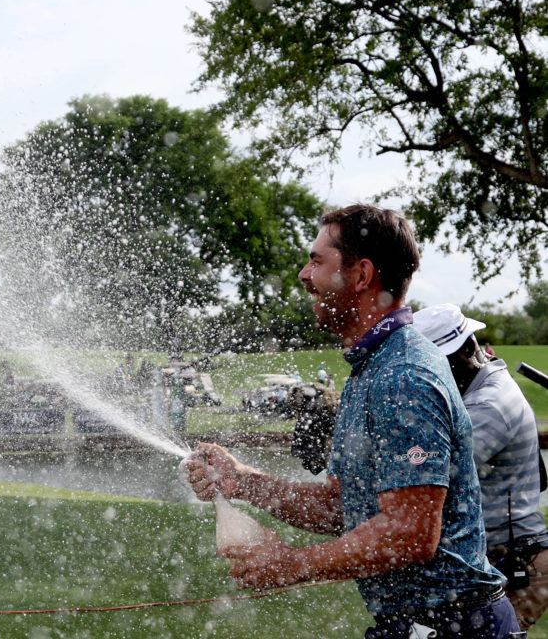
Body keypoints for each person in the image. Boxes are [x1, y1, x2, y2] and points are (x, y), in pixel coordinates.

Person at [186, 204, 520, 638]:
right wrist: (242, 481)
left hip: (456, 626)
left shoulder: (404, 377)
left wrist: (293, 564)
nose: (305, 275)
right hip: (427, 625)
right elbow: (344, 507)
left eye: (317, 261)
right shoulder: (373, 369)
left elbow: (410, 532)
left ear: (361, 276)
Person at [414, 303, 548, 630]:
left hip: (517, 563)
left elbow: (427, 474)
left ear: (462, 355)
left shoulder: (489, 406)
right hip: (498, 558)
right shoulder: (475, 388)